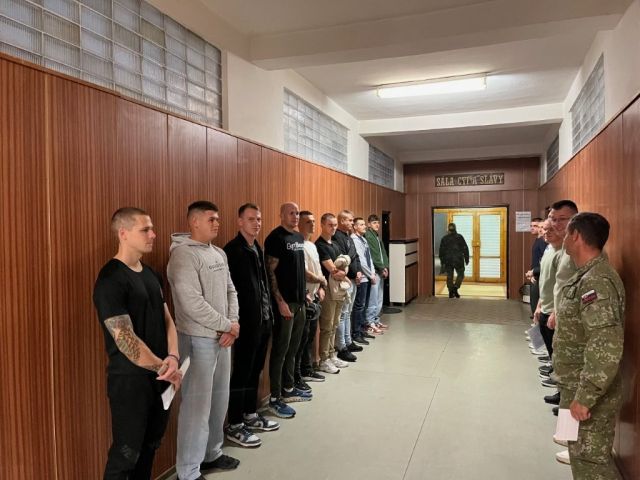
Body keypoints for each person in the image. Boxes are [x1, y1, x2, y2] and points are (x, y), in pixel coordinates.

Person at [93, 207, 182, 480]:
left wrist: (173, 357)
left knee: (150, 447)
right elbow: (125, 339)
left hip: (161, 377)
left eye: (151, 229)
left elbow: (167, 319)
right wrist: (164, 367)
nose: (153, 235)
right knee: (126, 454)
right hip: (130, 383)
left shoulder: (151, 274)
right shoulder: (110, 279)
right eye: (145, 230)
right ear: (123, 233)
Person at [167, 201, 240, 480]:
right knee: (196, 407)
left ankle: (212, 454)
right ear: (194, 222)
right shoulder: (182, 255)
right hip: (198, 340)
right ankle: (188, 471)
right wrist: (227, 325)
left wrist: (232, 325)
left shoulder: (219, 253)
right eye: (211, 219)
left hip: (224, 339)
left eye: (217, 219)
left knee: (219, 400)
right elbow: (191, 303)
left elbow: (231, 291)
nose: (217, 223)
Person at [554, 212, 625, 480]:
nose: (563, 238)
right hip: (572, 386)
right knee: (578, 455)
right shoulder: (585, 275)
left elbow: (605, 342)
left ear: (576, 236)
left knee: (592, 464)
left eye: (566, 233)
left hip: (587, 394)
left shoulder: (596, 281)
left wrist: (586, 397)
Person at [223, 203, 279, 448]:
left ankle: (250, 414)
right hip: (245, 323)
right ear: (240, 222)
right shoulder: (232, 251)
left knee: (255, 370)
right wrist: (233, 321)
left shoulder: (257, 247)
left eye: (259, 219)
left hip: (263, 320)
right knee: (242, 373)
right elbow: (230, 291)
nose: (256, 223)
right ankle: (235, 424)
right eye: (251, 219)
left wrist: (269, 317)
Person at [265, 202, 311, 418]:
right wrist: (280, 302)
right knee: (281, 350)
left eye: (297, 213)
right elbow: (270, 273)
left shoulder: (299, 238)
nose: (295, 216)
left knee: (294, 347)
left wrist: (306, 293)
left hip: (300, 301)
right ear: (281, 215)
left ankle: (289, 388)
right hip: (284, 303)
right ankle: (275, 398)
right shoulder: (275, 238)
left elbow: (298, 268)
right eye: (291, 213)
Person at [315, 213, 354, 374]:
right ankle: (323, 359)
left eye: (335, 225)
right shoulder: (320, 245)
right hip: (328, 290)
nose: (333, 228)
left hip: (339, 290)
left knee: (335, 324)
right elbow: (333, 270)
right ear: (322, 225)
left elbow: (345, 264)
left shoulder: (335, 244)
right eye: (330, 225)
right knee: (327, 326)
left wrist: (342, 270)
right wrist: (342, 271)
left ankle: (332, 354)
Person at [294, 211, 327, 388]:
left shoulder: (312, 246)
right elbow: (304, 272)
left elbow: (318, 269)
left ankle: (307, 369)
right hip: (304, 298)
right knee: (301, 340)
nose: (312, 225)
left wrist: (321, 286)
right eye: (308, 222)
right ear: (299, 224)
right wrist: (321, 280)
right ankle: (298, 374)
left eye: (313, 221)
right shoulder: (297, 245)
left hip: (314, 297)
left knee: (309, 338)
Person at [533, 219, 563, 396]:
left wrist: (555, 310)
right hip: (546, 305)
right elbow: (545, 281)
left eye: (550, 229)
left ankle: (559, 383)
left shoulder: (563, 253)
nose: (545, 232)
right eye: (544, 229)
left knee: (557, 349)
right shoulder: (548, 249)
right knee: (552, 347)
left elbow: (561, 285)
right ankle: (554, 372)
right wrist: (539, 304)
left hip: (554, 310)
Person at [351, 217, 378, 342]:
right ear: (355, 227)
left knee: (364, 305)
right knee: (359, 306)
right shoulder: (354, 240)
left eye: (364, 224)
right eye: (361, 225)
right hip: (361, 278)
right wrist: (370, 275)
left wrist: (372, 273)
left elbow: (369, 258)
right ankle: (356, 333)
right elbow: (361, 261)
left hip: (368, 276)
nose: (364, 226)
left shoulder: (364, 239)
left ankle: (363, 330)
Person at [364, 214, 389, 330]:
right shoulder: (369, 236)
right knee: (373, 299)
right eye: (374, 223)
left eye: (378, 223)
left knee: (379, 298)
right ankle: (370, 322)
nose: (377, 225)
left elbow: (382, 253)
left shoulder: (376, 236)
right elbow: (374, 255)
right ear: (369, 224)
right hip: (375, 271)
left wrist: (385, 267)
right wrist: (381, 267)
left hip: (380, 270)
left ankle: (376, 320)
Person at [439, 223, 469, 297]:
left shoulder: (444, 238)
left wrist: (442, 262)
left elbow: (441, 251)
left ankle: (450, 291)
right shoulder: (459, 237)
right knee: (461, 274)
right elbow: (465, 248)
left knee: (449, 276)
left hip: (448, 260)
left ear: (448, 229)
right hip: (458, 260)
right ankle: (455, 288)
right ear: (455, 228)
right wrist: (466, 258)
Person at [526, 217, 546, 317]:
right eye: (531, 226)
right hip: (535, 274)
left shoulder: (542, 241)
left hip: (539, 275)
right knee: (534, 301)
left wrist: (534, 272)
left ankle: (537, 322)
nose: (532, 228)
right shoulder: (538, 240)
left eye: (535, 226)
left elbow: (544, 262)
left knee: (536, 302)